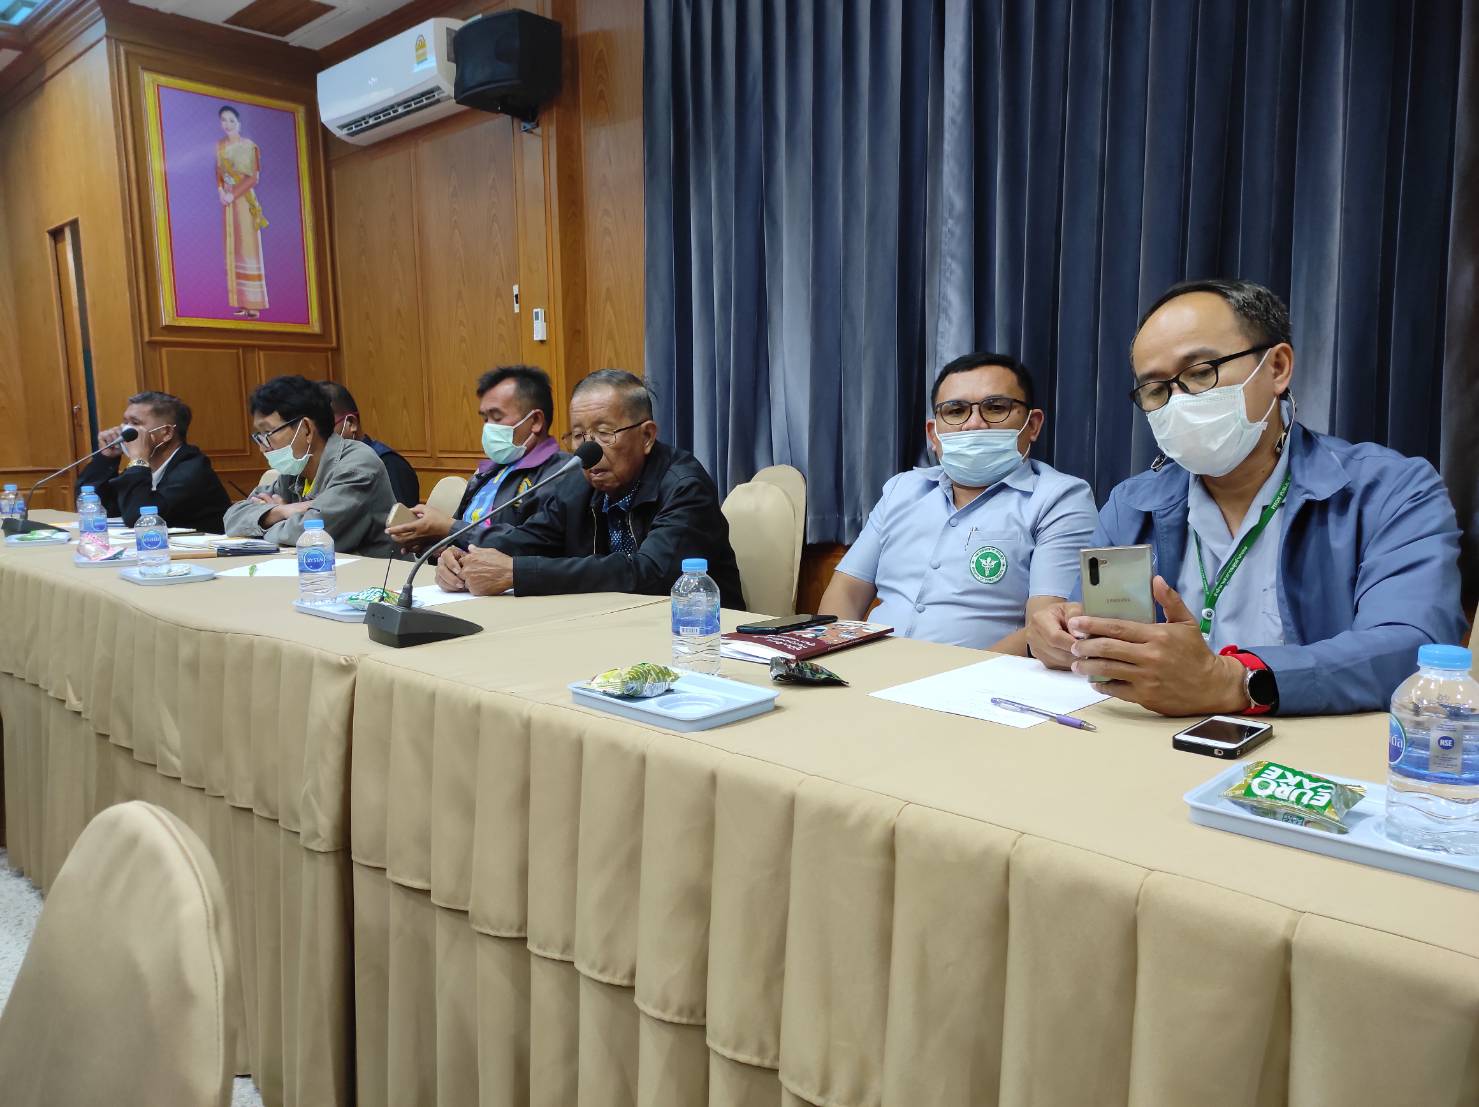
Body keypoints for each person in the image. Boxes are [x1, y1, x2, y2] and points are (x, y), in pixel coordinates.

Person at [1028, 278, 1464, 716]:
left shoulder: (1391, 492)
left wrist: (1236, 681)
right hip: (1154, 739)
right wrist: (1063, 635)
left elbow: (1412, 646)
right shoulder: (1131, 504)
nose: (1177, 402)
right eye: (1156, 390)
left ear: (1277, 368)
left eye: (1201, 373)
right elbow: (1090, 631)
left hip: (1313, 742)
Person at [819, 353, 1096, 651]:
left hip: (983, 677)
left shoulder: (1060, 499)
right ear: (933, 435)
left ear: (1033, 425)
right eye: (955, 411)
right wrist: (835, 660)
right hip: (869, 669)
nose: (974, 424)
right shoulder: (901, 489)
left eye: (995, 407)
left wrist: (954, 678)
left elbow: (1044, 631)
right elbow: (847, 591)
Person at [434, 369, 743, 604]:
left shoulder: (684, 485)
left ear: (647, 436)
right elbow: (529, 539)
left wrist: (517, 573)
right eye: (579, 436)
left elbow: (650, 573)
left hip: (696, 633)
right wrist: (464, 556)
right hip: (610, 624)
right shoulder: (576, 484)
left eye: (604, 433)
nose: (589, 450)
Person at [385, 366, 569, 554]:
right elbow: (458, 536)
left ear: (536, 421)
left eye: (497, 417)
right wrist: (437, 545)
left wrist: (449, 528)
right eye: (485, 419)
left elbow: (531, 546)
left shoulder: (560, 474)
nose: (488, 428)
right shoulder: (488, 471)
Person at [222, 374, 397, 557]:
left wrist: (261, 524)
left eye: (268, 433)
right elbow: (233, 518)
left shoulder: (358, 465)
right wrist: (280, 511)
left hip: (375, 573)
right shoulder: (295, 471)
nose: (262, 447)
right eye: (258, 436)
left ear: (306, 429)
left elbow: (311, 536)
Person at [78, 391, 230, 533]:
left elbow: (138, 517)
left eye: (135, 423)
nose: (124, 430)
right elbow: (95, 505)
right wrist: (106, 459)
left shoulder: (193, 469)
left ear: (166, 433)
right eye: (125, 422)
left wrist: (138, 460)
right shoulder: (143, 467)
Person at [317, 381, 420, 507]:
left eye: (323, 428)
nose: (316, 439)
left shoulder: (389, 464)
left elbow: (401, 517)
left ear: (351, 423)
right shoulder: (323, 467)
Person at [216, 105, 268, 319]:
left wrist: (233, 195)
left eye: (231, 120)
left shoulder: (249, 146)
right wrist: (221, 190)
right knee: (233, 249)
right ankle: (241, 302)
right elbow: (219, 171)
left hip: (244, 202)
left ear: (239, 123)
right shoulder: (220, 145)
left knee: (248, 249)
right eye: (223, 120)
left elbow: (253, 178)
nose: (227, 124)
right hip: (228, 204)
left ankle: (253, 304)